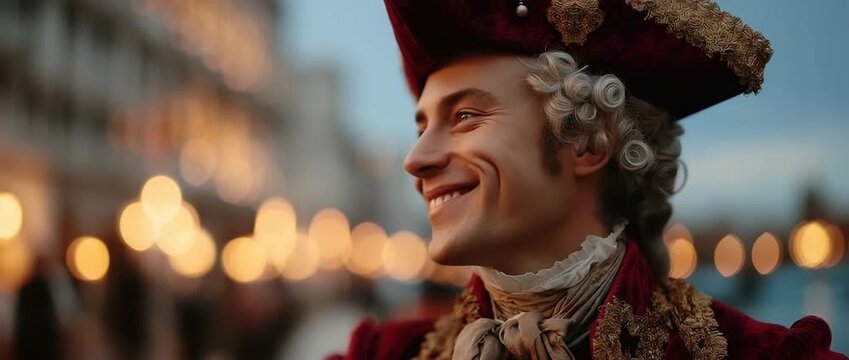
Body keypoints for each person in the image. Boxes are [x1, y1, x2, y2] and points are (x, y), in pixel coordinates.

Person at [330, 0, 847, 359]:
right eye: (420, 126)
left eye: (465, 116)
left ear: (589, 140)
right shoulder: (383, 354)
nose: (415, 159)